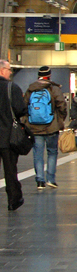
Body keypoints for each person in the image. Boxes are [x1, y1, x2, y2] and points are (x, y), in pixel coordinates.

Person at [24, 65, 68, 190]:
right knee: (52, 152)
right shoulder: (53, 88)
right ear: (49, 75)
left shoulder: (31, 89)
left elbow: (24, 106)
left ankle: (39, 180)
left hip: (34, 127)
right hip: (51, 126)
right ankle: (51, 179)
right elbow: (62, 105)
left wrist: (27, 121)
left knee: (37, 154)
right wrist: (60, 120)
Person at [0, 60, 26, 211]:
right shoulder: (12, 88)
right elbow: (20, 110)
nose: (10, 73)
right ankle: (13, 200)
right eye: (9, 70)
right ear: (3, 70)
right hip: (8, 137)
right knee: (10, 171)